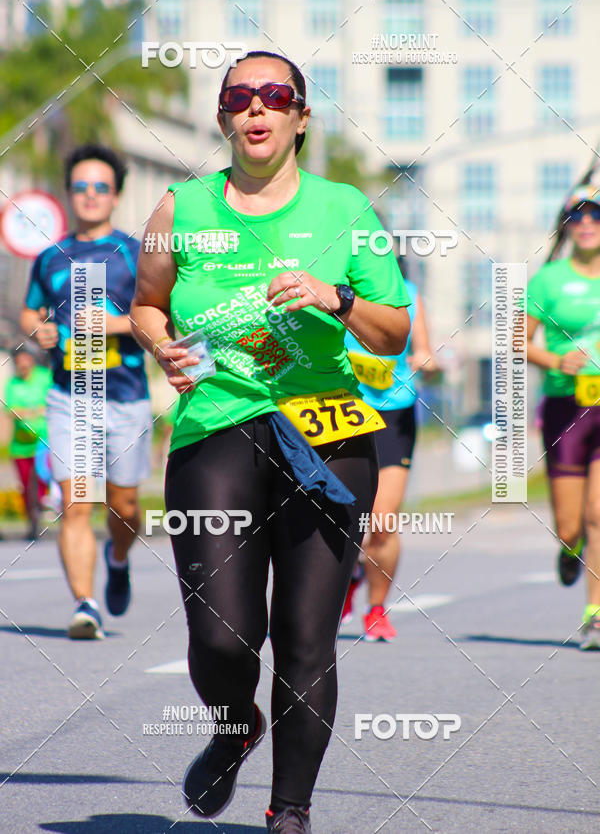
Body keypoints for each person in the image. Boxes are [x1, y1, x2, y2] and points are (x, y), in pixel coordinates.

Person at [130, 50, 410, 834]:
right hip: (215, 426)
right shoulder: (180, 208)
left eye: (274, 95)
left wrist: (336, 295)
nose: (256, 108)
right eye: (239, 97)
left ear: (300, 117)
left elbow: (393, 333)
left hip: (326, 432)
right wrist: (160, 344)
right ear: (224, 117)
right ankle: (232, 724)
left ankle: (290, 812)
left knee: (305, 639)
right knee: (221, 636)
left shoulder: (346, 209)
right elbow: (147, 304)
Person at [20, 144, 152, 640]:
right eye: (81, 187)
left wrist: (115, 324)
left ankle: (118, 557)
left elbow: (160, 318)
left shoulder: (136, 254)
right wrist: (40, 331)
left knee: (125, 507)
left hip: (126, 397)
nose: (91, 195)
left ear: (116, 196)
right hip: (70, 397)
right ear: (69, 194)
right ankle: (85, 604)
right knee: (76, 503)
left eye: (101, 187)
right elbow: (31, 311)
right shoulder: (50, 257)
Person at [343, 269, 437, 641]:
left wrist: (427, 363)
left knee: (381, 521)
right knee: (341, 518)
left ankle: (376, 609)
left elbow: (424, 352)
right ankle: (348, 575)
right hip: (340, 410)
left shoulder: (410, 294)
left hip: (393, 414)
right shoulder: (334, 289)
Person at [527, 184, 600, 650]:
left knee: (599, 514)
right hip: (565, 408)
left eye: (596, 216)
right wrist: (556, 362)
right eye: (578, 217)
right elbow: (514, 339)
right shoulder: (548, 280)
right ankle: (569, 547)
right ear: (567, 226)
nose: (588, 224)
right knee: (571, 524)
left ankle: (595, 614)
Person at [3, 346, 52, 539]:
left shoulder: (44, 377)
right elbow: (12, 411)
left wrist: (27, 412)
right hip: (20, 445)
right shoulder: (12, 384)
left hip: (44, 442)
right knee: (26, 486)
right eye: (19, 361)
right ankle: (32, 524)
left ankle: (43, 515)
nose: (23, 364)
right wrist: (34, 411)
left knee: (41, 481)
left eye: (26, 360)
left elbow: (50, 404)